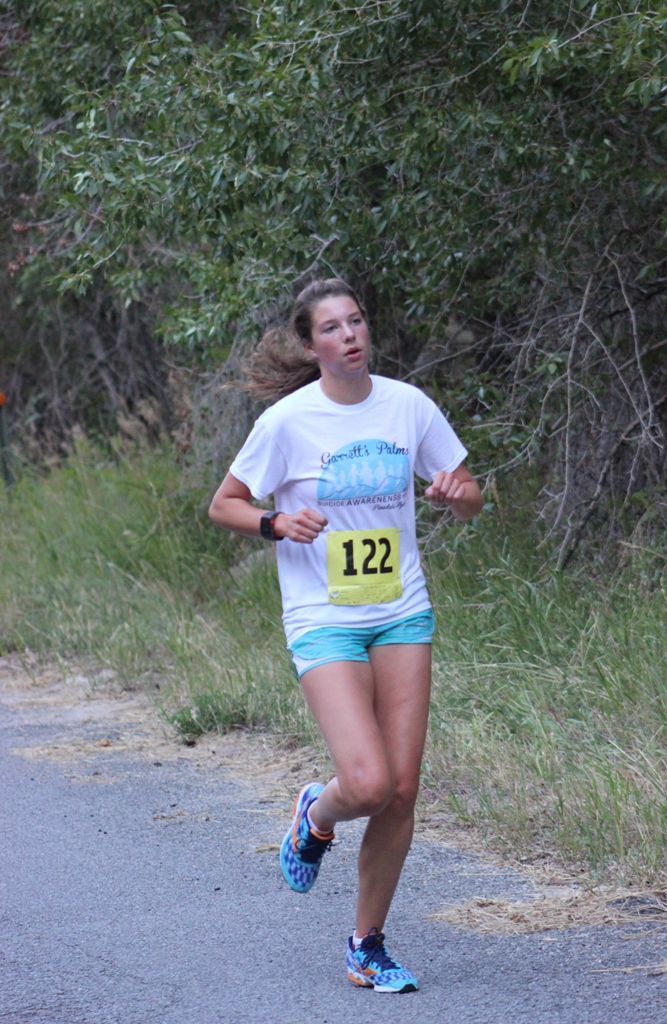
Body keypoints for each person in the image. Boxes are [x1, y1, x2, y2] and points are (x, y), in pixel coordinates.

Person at [209, 278, 483, 993]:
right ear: (310, 346)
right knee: (364, 783)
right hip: (323, 616)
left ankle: (366, 944)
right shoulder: (287, 422)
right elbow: (225, 504)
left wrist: (458, 497)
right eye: (330, 327)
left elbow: (469, 491)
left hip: (400, 610)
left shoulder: (407, 405)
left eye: (356, 321)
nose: (349, 335)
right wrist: (275, 523)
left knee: (400, 791)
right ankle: (315, 812)